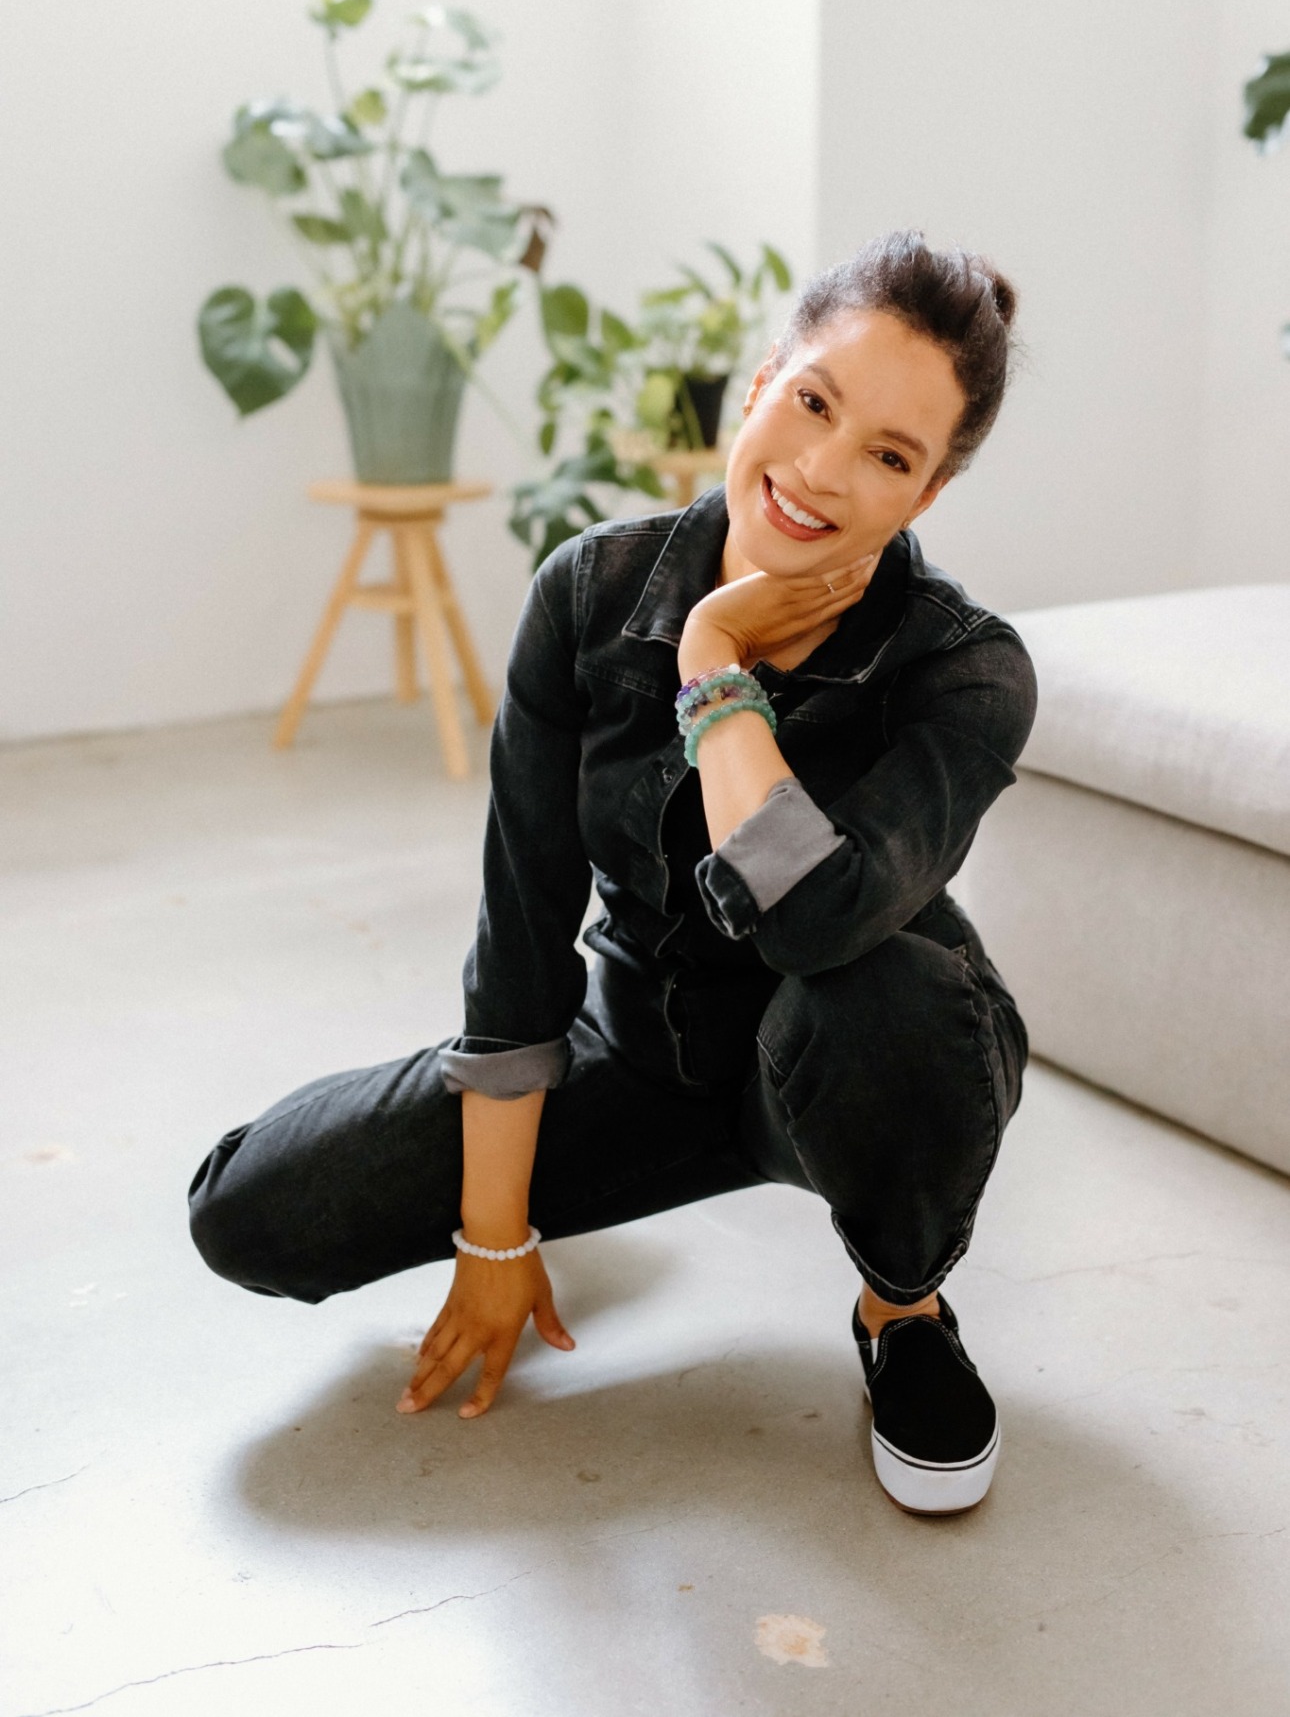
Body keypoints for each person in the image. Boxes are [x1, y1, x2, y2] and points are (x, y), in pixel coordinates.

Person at [189, 229, 1038, 1517]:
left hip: (856, 1057)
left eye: (888, 455)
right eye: (814, 402)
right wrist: (494, 1235)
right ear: (762, 382)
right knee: (249, 1211)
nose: (821, 470)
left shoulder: (964, 668)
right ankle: (597, 1188)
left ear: (924, 496)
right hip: (635, 1050)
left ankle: (903, 1308)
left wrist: (714, 667)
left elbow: (812, 921)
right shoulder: (589, 594)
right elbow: (523, 923)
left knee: (882, 998)